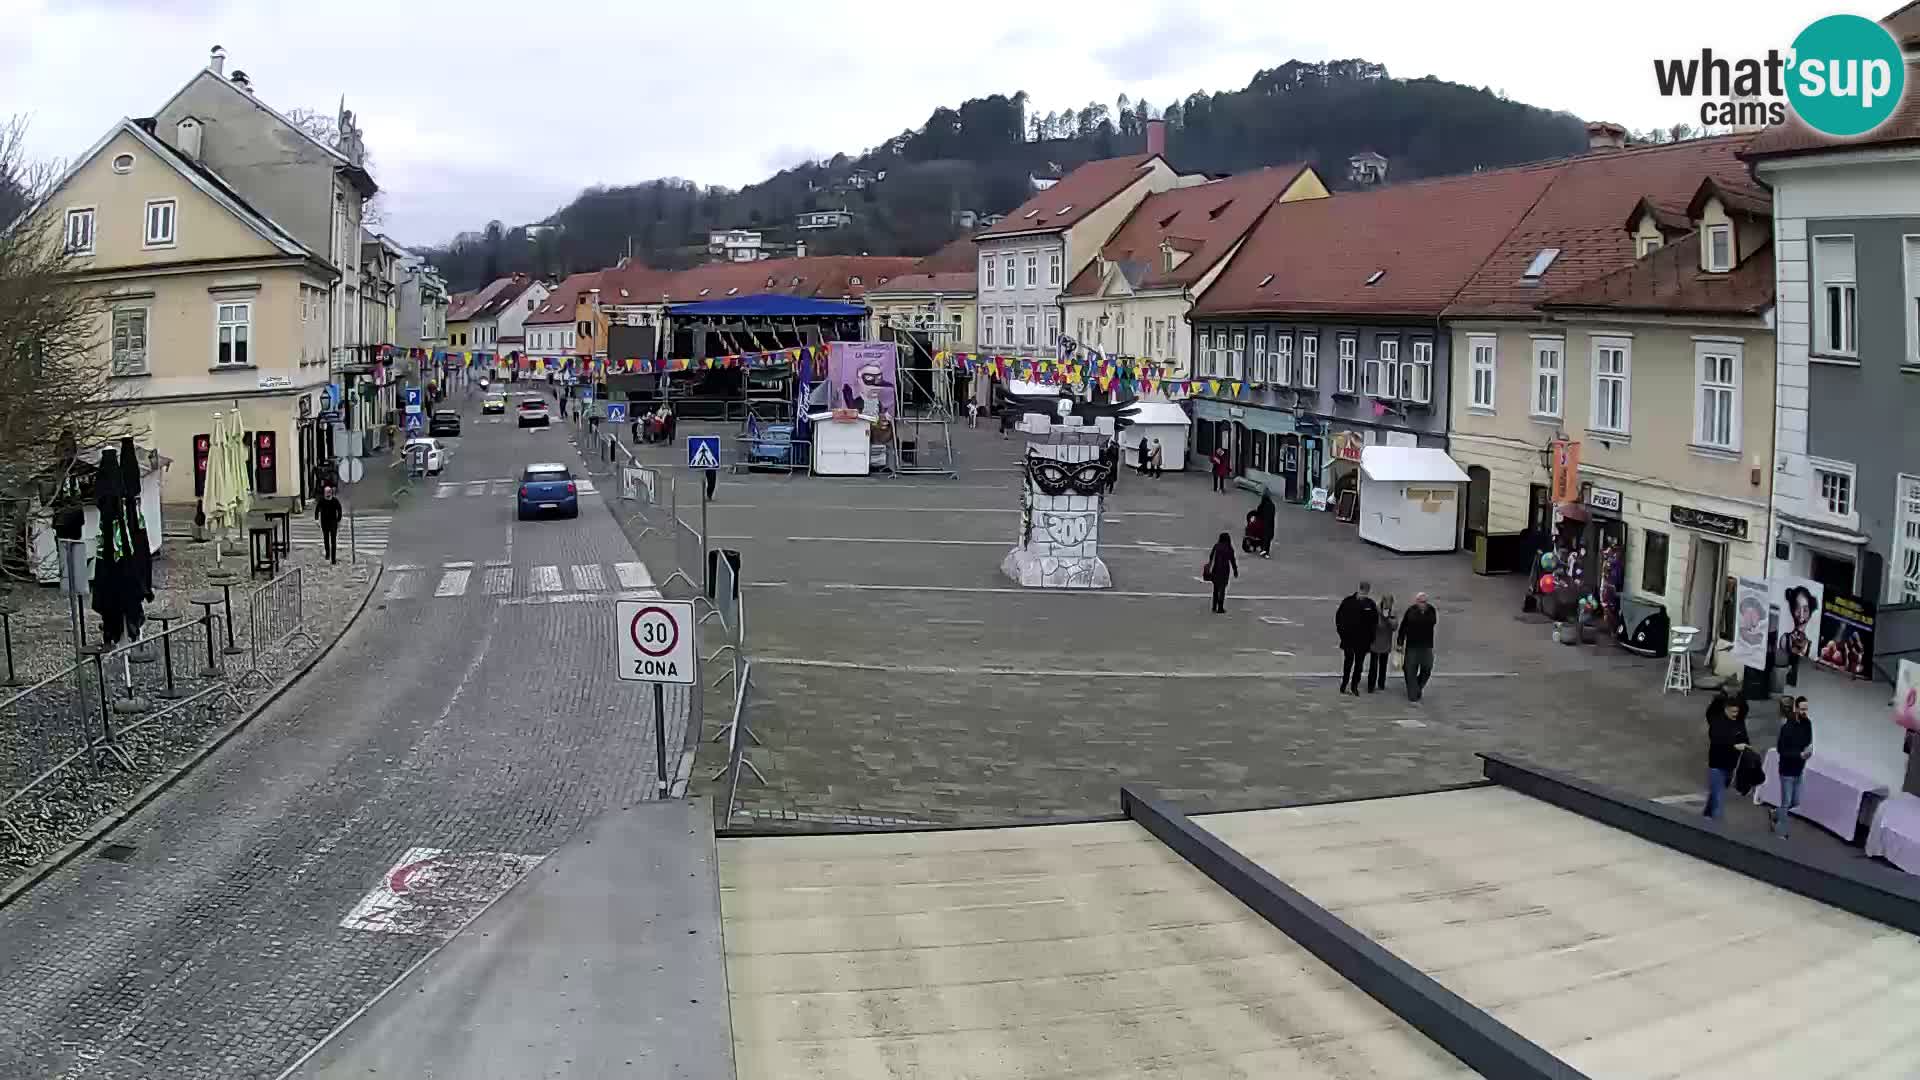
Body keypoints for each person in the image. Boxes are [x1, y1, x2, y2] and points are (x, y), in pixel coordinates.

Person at [1703, 692, 1751, 821]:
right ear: (1726, 709)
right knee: (1718, 799)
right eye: (1733, 712)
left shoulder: (1739, 721)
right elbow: (1717, 741)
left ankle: (1707, 815)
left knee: (1716, 792)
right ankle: (1716, 828)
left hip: (1730, 766)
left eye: (1737, 711)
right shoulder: (1716, 722)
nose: (1735, 714)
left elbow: (1744, 736)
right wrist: (1734, 746)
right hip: (1717, 765)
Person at [1773, 696, 1814, 837]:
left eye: (1806, 709)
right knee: (1786, 802)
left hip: (1799, 769)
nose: (1804, 712)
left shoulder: (1807, 723)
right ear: (1795, 708)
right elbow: (1781, 750)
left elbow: (1808, 741)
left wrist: (1808, 751)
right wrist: (1799, 755)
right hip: (1786, 770)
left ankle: (1775, 813)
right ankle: (1781, 833)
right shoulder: (1787, 728)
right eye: (1802, 709)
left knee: (1795, 802)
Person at [1334, 582, 1379, 695]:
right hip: (1348, 639)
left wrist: (1370, 639)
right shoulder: (1348, 601)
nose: (1364, 593)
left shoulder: (1370, 604)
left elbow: (1374, 622)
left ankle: (1354, 686)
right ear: (1361, 589)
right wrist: (1342, 633)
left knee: (1358, 665)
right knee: (1348, 663)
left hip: (1363, 641)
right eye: (1364, 591)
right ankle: (1344, 684)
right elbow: (1339, 618)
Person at [1397, 592, 1437, 701]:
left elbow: (1433, 621)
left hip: (1426, 646)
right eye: (1421, 602)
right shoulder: (1410, 611)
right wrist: (1400, 643)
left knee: (1427, 668)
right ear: (1417, 602)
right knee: (1409, 669)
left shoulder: (1431, 610)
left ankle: (1417, 686)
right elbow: (1403, 628)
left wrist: (1423, 614)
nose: (1423, 604)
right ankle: (1413, 692)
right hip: (1412, 646)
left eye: (1425, 602)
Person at [1369, 593, 1397, 693]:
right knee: (1373, 666)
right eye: (1386, 603)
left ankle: (1381, 684)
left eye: (1390, 604)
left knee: (1383, 665)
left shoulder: (1392, 612)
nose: (1388, 606)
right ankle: (1371, 686)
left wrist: (1388, 618)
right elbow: (1371, 624)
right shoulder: (1375, 610)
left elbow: (1394, 627)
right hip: (1375, 642)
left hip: (1386, 643)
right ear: (1383, 602)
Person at [1204, 531, 1238, 614]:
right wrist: (1235, 570)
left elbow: (1211, 557)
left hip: (1215, 569)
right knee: (1222, 589)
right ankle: (1220, 607)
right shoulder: (1229, 548)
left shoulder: (1216, 546)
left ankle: (1214, 606)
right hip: (1224, 570)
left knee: (1215, 589)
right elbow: (1232, 560)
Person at [314, 484, 344, 564]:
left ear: (331, 493)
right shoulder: (321, 501)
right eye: (326, 492)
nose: (327, 493)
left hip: (333, 523)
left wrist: (339, 520)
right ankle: (327, 554)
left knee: (333, 541)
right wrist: (316, 519)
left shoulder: (335, 501)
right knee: (326, 539)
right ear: (324, 493)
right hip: (324, 523)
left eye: (329, 492)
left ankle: (333, 559)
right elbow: (317, 510)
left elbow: (339, 510)